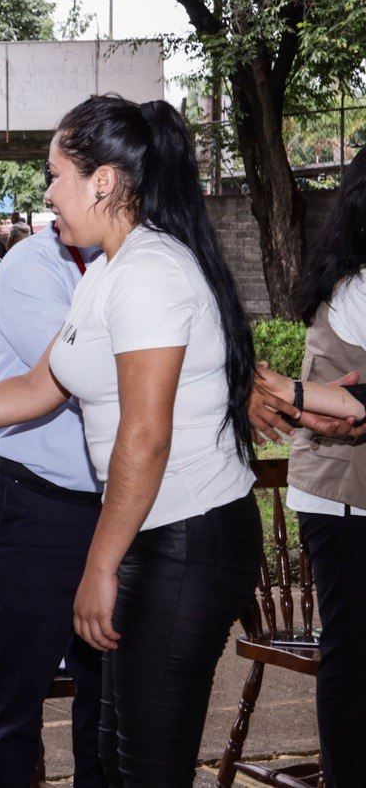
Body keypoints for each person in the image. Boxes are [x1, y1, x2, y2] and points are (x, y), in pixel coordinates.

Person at [0, 94, 262, 785]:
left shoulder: (149, 273)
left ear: (103, 180)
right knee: (113, 740)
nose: (46, 193)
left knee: (146, 765)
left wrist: (98, 565)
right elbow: (41, 388)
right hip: (153, 532)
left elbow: (145, 437)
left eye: (54, 175)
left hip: (188, 537)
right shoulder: (106, 271)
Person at [0, 212, 104, 786]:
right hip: (30, 506)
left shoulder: (136, 264)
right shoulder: (32, 266)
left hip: (113, 512)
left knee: (108, 703)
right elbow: (87, 373)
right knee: (11, 709)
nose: (50, 196)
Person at [247, 149, 366, 787]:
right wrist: (291, 394)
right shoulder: (359, 287)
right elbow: (349, 406)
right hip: (345, 499)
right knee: (351, 653)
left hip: (342, 493)